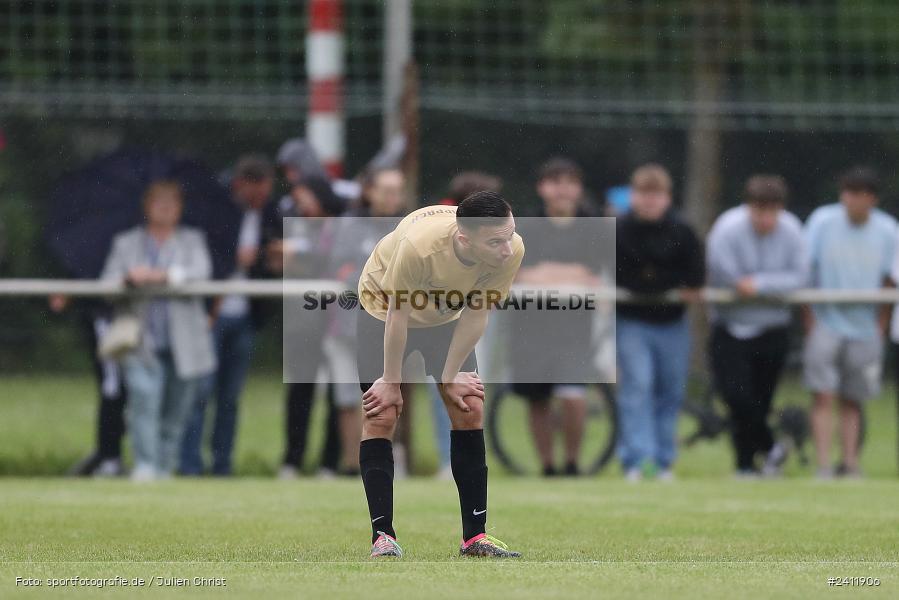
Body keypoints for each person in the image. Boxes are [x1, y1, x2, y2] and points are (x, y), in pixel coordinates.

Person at [356, 191, 524, 558]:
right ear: (464, 239)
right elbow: (397, 315)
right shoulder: (419, 248)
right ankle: (383, 537)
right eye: (495, 242)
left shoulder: (511, 248)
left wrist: (450, 377)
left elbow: (477, 313)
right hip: (383, 311)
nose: (507, 249)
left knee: (469, 405)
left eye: (510, 235)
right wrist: (391, 381)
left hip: (445, 316)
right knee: (382, 413)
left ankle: (475, 539)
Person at [101, 180, 216, 481]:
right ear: (147, 207)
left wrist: (161, 276)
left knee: (177, 410)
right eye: (158, 202)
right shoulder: (126, 243)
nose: (165, 208)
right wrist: (128, 279)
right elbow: (106, 285)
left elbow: (202, 274)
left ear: (180, 208)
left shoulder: (193, 240)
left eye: (171, 202)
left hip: (184, 342)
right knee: (143, 401)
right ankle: (145, 465)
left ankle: (164, 467)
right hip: (140, 340)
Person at [707, 175, 809, 477]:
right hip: (730, 326)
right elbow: (724, 274)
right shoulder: (727, 228)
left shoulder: (792, 230)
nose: (765, 219)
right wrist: (755, 286)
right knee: (737, 398)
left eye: (771, 212)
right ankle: (770, 448)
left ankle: (746, 465)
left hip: (772, 328)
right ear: (748, 206)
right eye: (759, 211)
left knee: (761, 401)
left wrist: (759, 284)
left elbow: (800, 277)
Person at [180, 155, 276, 476]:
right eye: (256, 193)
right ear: (241, 184)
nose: (261, 200)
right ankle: (190, 463)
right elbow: (209, 257)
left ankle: (223, 464)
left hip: (244, 316)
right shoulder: (215, 210)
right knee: (200, 392)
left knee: (230, 397)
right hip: (213, 314)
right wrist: (235, 258)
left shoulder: (267, 214)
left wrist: (265, 257)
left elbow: (266, 259)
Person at [803, 167, 896, 479]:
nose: (852, 200)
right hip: (825, 322)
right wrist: (810, 320)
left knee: (853, 399)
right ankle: (823, 465)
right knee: (822, 395)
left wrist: (881, 324)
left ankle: (851, 463)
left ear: (872, 199)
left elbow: (890, 279)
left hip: (865, 327)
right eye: (848, 193)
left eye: (859, 194)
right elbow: (807, 271)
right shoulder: (822, 221)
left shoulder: (888, 229)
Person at [513, 158, 602, 477]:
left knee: (573, 396)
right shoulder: (525, 226)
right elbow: (519, 274)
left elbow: (592, 277)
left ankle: (573, 463)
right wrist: (568, 273)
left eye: (570, 182)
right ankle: (547, 466)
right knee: (537, 399)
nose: (563, 190)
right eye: (555, 182)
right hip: (531, 326)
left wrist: (544, 272)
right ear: (542, 187)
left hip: (575, 327)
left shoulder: (592, 226)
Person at [615, 164, 704, 482]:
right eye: (644, 193)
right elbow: (620, 276)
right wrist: (664, 281)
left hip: (672, 324)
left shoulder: (683, 232)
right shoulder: (619, 230)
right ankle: (639, 460)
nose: (650, 201)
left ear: (667, 197)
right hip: (631, 322)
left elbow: (694, 279)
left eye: (656, 194)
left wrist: (651, 281)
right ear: (633, 196)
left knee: (670, 390)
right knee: (637, 386)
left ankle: (664, 461)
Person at [326, 167, 408, 476]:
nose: (392, 197)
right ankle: (352, 466)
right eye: (386, 190)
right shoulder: (349, 226)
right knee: (350, 398)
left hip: (393, 329)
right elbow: (340, 269)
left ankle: (385, 465)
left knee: (390, 396)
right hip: (349, 326)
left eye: (397, 190)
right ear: (369, 191)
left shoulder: (407, 227)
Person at [275, 175, 347, 478]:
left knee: (338, 393)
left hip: (337, 321)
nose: (300, 204)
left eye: (305, 197)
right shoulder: (295, 226)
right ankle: (292, 459)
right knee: (300, 391)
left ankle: (330, 462)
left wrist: (303, 257)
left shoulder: (343, 226)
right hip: (303, 323)